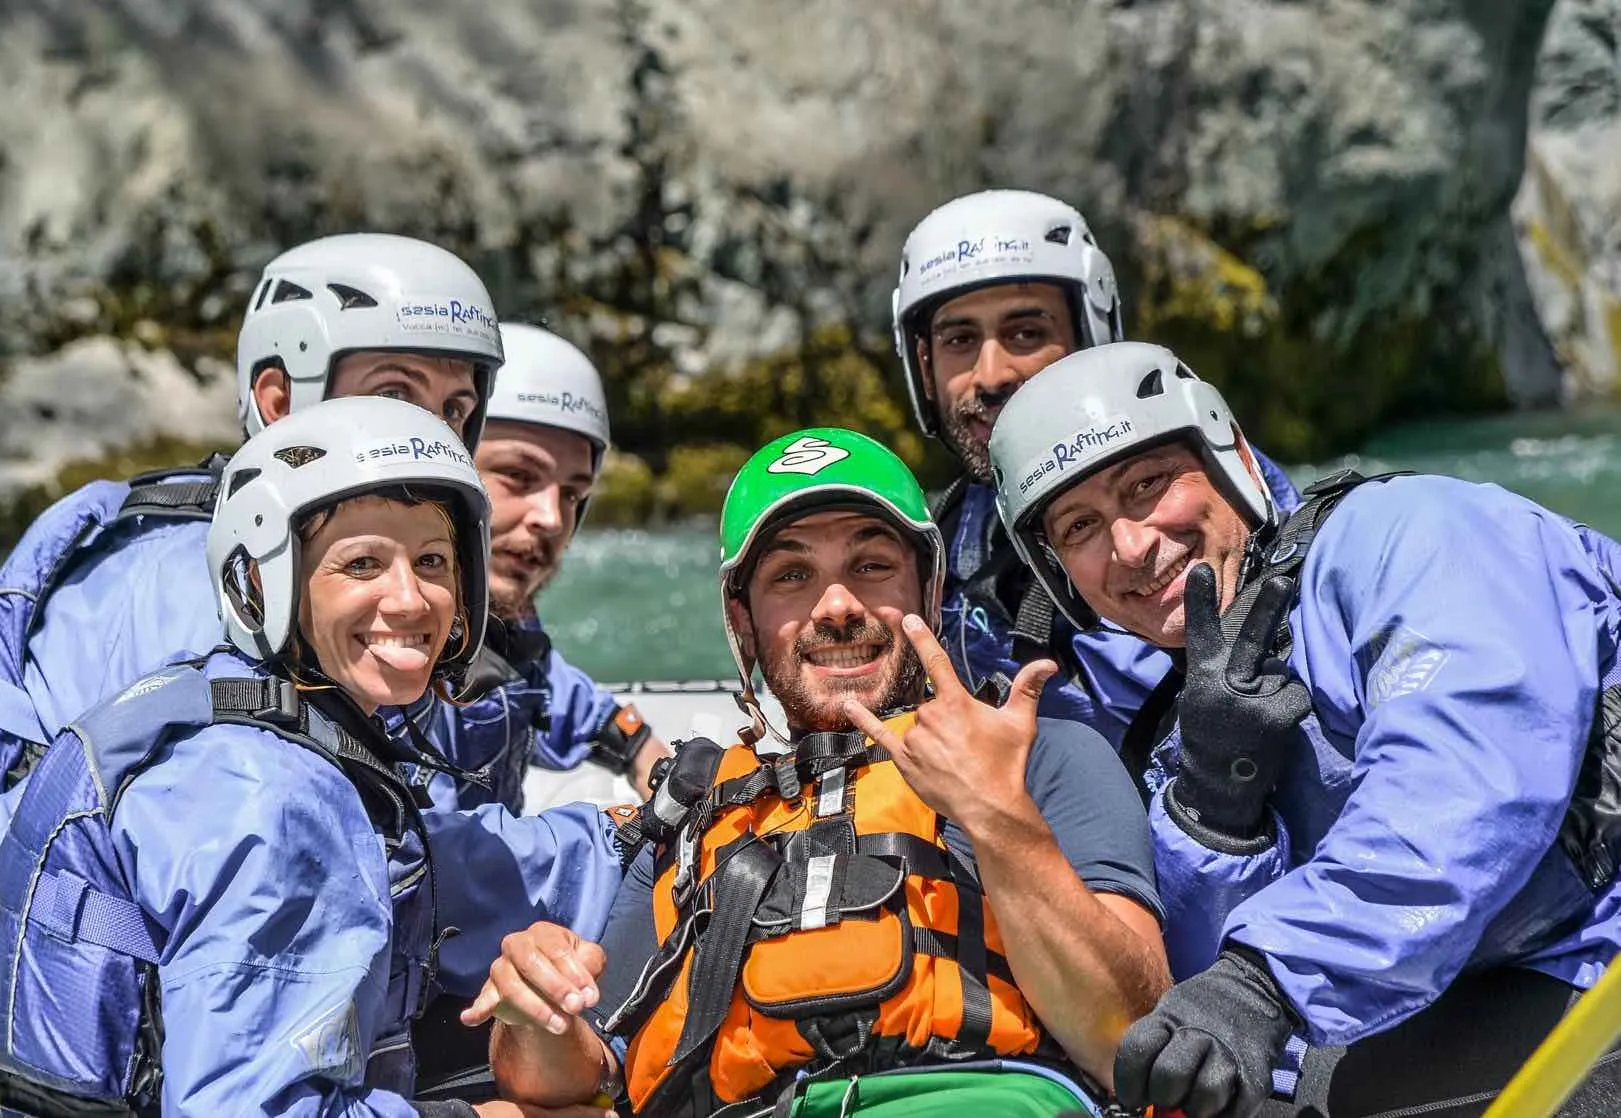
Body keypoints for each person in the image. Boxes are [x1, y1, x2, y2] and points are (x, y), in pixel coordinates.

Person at [0, 236, 621, 1117]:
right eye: (395, 395)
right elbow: (325, 866)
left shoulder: (277, 617)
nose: (431, 432)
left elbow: (412, 839)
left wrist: (629, 820)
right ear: (277, 398)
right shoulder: (216, 649)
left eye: (456, 409)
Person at [985, 340, 1621, 1117]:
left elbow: (1469, 781)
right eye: (1080, 526)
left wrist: (1264, 980)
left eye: (1147, 485)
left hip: (1592, 951)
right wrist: (1215, 816)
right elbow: (1211, 1002)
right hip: (1484, 992)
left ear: (1229, 461)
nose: (1130, 546)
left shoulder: (1407, 532)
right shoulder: (1180, 721)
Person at [465, 428, 1172, 1117]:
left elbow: (1129, 1037)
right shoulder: (694, 813)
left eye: (872, 566)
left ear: (927, 595)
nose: (836, 607)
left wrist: (997, 818)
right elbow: (574, 1077)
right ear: (744, 622)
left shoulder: (1044, 758)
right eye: (792, 576)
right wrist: (535, 1011)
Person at [890, 189, 1301, 746]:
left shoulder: (1220, 495)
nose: (991, 375)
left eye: (1026, 334)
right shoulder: (945, 533)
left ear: (1091, 336)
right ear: (924, 368)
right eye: (959, 340)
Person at [425, 322, 670, 817]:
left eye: (573, 494)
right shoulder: (384, 644)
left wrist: (650, 756)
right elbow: (429, 849)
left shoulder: (500, 624)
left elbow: (563, 697)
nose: (553, 518)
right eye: (518, 476)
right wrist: (615, 835)